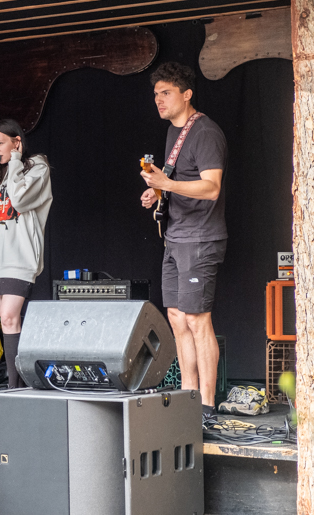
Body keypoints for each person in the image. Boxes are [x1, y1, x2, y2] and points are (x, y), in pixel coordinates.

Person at [139, 62, 227, 423]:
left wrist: (168, 185)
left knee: (197, 318)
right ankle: (188, 398)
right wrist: (158, 192)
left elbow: (211, 187)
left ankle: (206, 405)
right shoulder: (174, 132)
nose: (158, 99)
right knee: (176, 317)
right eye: (156, 94)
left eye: (166, 93)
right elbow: (177, 180)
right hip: (175, 237)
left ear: (187, 94)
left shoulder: (204, 132)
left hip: (200, 239)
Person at [0, 119, 53, 388]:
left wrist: (16, 161)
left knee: (8, 317)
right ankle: (15, 387)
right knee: (8, 322)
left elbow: (19, 199)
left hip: (20, 257)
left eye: (0, 143)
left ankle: (17, 385)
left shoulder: (37, 167)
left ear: (16, 141)